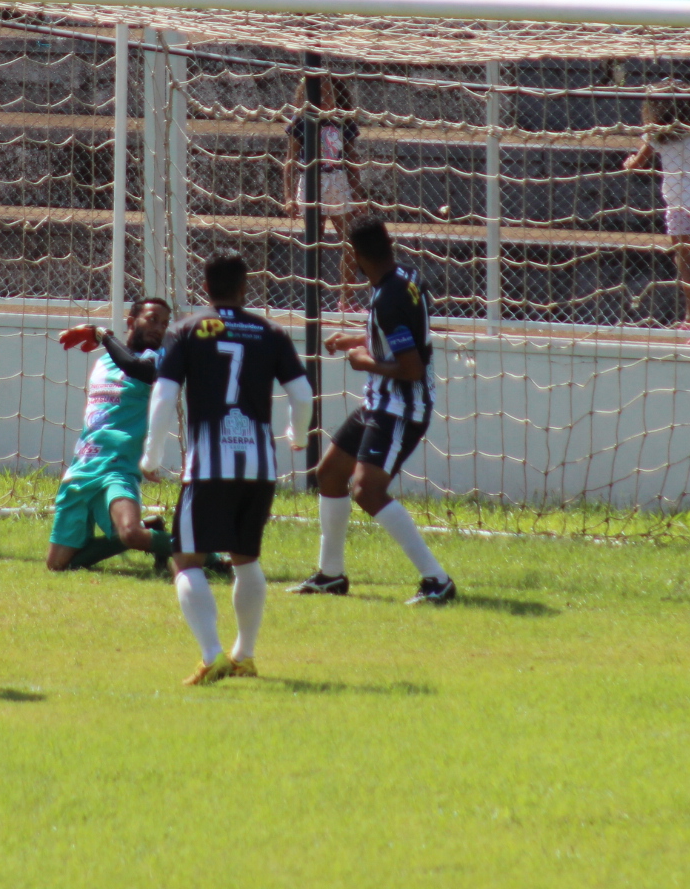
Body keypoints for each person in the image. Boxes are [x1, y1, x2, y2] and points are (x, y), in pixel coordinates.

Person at [144, 252, 313, 686]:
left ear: (206, 287)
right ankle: (246, 655)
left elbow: (164, 397)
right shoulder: (270, 331)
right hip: (258, 468)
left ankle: (212, 655)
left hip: (207, 467)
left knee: (184, 560)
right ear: (245, 288)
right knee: (246, 558)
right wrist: (297, 433)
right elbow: (303, 395)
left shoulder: (186, 330)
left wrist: (152, 455)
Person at [291, 216, 457, 605]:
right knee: (330, 474)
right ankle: (330, 575)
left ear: (355, 255)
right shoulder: (407, 276)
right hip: (379, 402)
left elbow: (411, 368)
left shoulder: (387, 299)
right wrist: (357, 337)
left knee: (366, 490)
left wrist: (365, 362)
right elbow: (405, 332)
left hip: (401, 407)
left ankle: (437, 580)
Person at [49, 298, 179, 573]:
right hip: (83, 467)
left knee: (130, 533)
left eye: (165, 323)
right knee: (59, 565)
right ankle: (151, 531)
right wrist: (103, 339)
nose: (159, 328)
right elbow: (121, 361)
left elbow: (137, 368)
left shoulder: (158, 360)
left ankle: (209, 556)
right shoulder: (103, 362)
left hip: (117, 467)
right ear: (131, 322)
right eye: (153, 319)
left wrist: (102, 334)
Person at [623, 81, 690, 330]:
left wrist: (628, 163)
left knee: (687, 263)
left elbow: (638, 164)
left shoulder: (657, 136)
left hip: (680, 204)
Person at [284, 74, 367, 310]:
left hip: (338, 182)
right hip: (312, 182)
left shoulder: (343, 120)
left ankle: (346, 300)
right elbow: (290, 161)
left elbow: (351, 158)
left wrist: (358, 194)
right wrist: (289, 197)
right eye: (319, 95)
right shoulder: (301, 121)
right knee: (315, 243)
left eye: (330, 94)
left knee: (350, 242)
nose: (325, 99)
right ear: (305, 97)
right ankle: (313, 301)